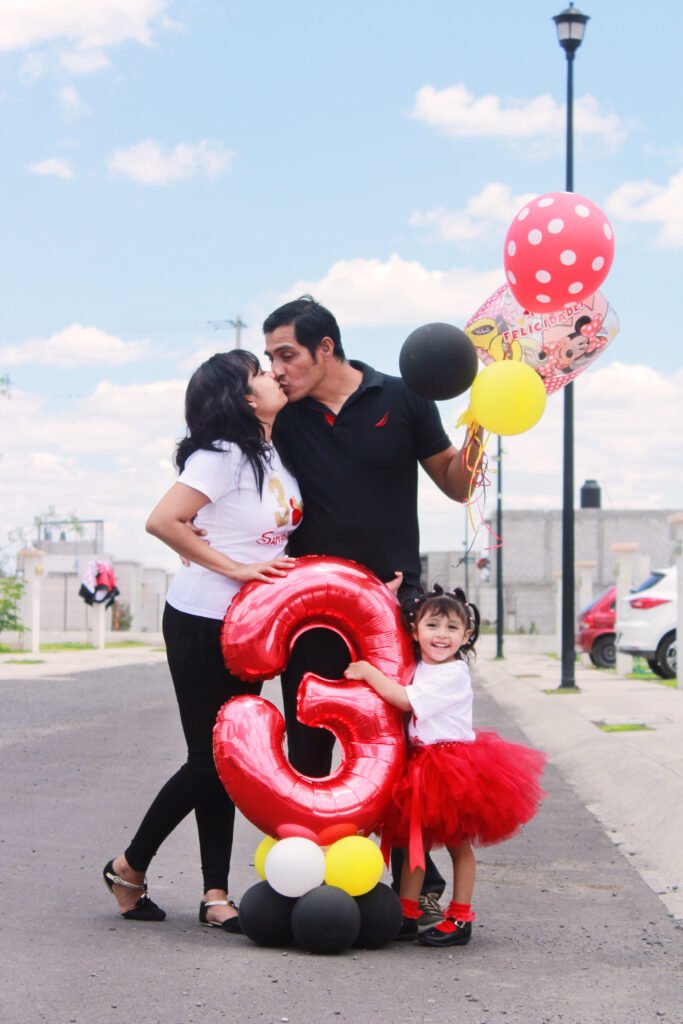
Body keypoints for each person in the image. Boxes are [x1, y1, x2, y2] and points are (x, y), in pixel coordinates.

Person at [263, 295, 483, 919]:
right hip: (312, 610)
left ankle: (414, 884)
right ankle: (306, 883)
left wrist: (482, 426)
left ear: (325, 347)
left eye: (287, 355)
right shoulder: (284, 416)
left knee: (399, 750)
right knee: (309, 742)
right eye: (270, 357)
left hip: (393, 610)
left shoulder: (404, 397)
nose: (277, 369)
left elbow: (457, 484)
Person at [103, 351, 301, 931]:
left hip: (247, 626)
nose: (274, 374)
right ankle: (129, 866)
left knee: (226, 758)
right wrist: (235, 569)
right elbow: (162, 521)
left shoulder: (270, 452)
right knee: (213, 758)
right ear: (244, 397)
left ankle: (215, 895)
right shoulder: (222, 456)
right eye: (260, 371)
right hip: (202, 620)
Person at [344, 585, 546, 946]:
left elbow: (403, 700)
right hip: (421, 762)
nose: (441, 635)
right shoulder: (418, 665)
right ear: (414, 631)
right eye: (432, 625)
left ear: (466, 636)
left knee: (458, 845)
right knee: (414, 843)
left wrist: (368, 672)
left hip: (452, 767)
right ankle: (407, 912)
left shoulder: (453, 673)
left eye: (452, 628)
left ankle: (461, 916)